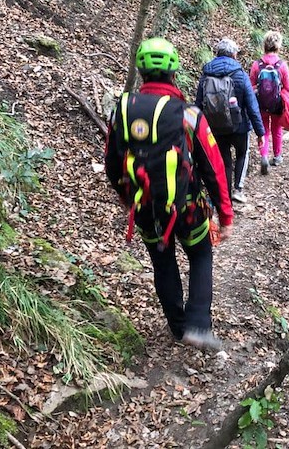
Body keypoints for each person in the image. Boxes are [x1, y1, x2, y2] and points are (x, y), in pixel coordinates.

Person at [105, 37, 233, 350]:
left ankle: (178, 328)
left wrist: (127, 198)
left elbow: (112, 163)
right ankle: (198, 325)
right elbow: (214, 168)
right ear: (174, 73)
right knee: (201, 255)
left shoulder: (122, 110)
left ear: (141, 72)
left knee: (163, 264)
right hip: (186, 206)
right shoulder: (189, 115)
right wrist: (225, 213)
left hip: (146, 207)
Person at [195, 38, 264, 204]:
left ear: (217, 53)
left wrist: (198, 129)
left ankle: (225, 194)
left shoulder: (206, 74)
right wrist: (260, 132)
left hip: (216, 126)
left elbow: (198, 104)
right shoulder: (240, 74)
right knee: (242, 154)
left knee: (224, 159)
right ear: (234, 54)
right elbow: (252, 105)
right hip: (239, 126)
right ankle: (238, 190)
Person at [249, 31, 289, 175]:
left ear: (264, 46)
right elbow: (288, 87)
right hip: (277, 103)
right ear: (278, 46)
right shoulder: (282, 65)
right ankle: (278, 156)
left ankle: (263, 156)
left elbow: (251, 85)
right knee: (277, 129)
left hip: (260, 103)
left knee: (264, 130)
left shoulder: (257, 65)